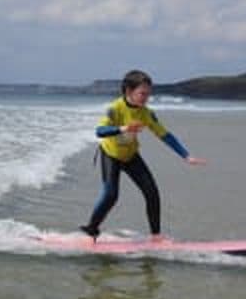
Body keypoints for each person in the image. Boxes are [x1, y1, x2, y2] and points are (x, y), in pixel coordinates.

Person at [81, 70, 206, 241]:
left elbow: (164, 135)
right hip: (111, 155)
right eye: (142, 93)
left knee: (151, 192)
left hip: (131, 156)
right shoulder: (115, 109)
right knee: (111, 195)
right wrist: (124, 128)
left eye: (148, 94)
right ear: (129, 91)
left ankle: (156, 236)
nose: (146, 98)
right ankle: (91, 229)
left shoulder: (146, 113)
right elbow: (100, 131)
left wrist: (186, 156)